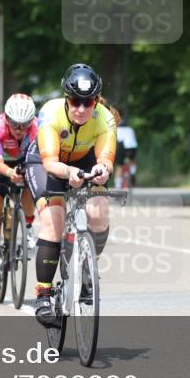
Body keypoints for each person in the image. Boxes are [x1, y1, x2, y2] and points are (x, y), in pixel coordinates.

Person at [23, 64, 117, 323]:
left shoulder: (105, 118)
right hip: (47, 163)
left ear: (96, 101)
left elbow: (106, 158)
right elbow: (50, 162)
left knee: (99, 212)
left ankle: (89, 269)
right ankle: (43, 296)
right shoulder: (50, 113)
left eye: (88, 103)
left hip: (85, 160)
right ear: (66, 98)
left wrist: (103, 169)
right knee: (54, 223)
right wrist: (68, 174)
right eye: (76, 101)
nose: (81, 109)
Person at [0, 93, 39, 288]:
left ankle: (28, 226)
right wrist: (10, 173)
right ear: (6, 117)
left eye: (25, 124)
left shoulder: (37, 128)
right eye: (15, 124)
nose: (20, 129)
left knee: (31, 184)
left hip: (21, 160)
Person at [115, 116, 138, 189]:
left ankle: (117, 186)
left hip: (123, 148)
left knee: (119, 166)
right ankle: (133, 173)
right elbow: (134, 140)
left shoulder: (117, 129)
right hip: (132, 148)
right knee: (132, 160)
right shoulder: (130, 129)